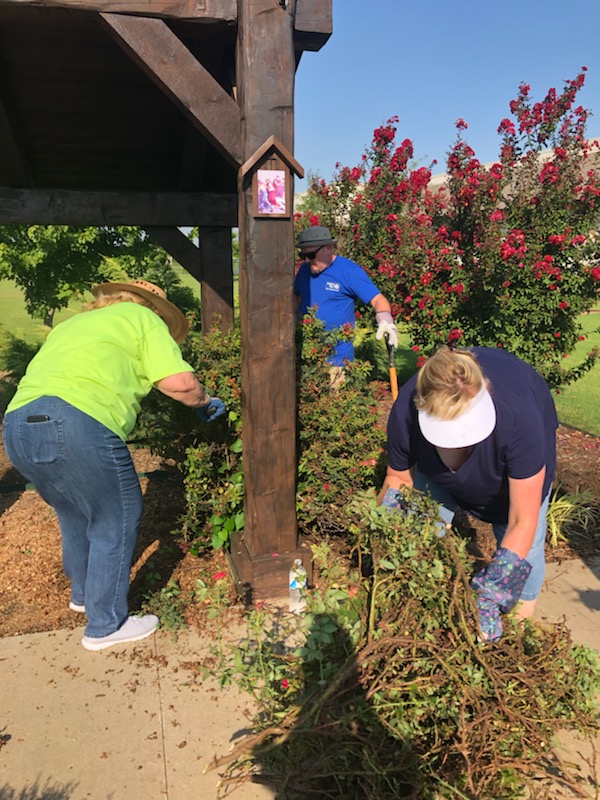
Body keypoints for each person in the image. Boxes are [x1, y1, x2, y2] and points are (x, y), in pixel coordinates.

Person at [2, 280, 226, 651]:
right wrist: (204, 402)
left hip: (17, 424)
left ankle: (84, 595)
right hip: (78, 420)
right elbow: (180, 383)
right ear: (153, 307)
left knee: (73, 510)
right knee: (117, 515)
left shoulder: (71, 325)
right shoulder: (142, 318)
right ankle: (105, 625)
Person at [381, 345, 558, 642]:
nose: (456, 443)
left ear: (486, 391)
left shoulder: (520, 417)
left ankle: (518, 633)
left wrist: (492, 593)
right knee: (422, 530)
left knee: (525, 554)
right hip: (434, 474)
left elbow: (521, 521)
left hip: (508, 486)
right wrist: (390, 537)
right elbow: (399, 478)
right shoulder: (407, 411)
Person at [294, 226, 398, 371]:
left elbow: (378, 300)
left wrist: (386, 321)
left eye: (311, 255)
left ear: (328, 248)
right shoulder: (305, 270)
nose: (306, 260)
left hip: (336, 361)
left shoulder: (349, 271)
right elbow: (296, 298)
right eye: (302, 255)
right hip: (303, 356)